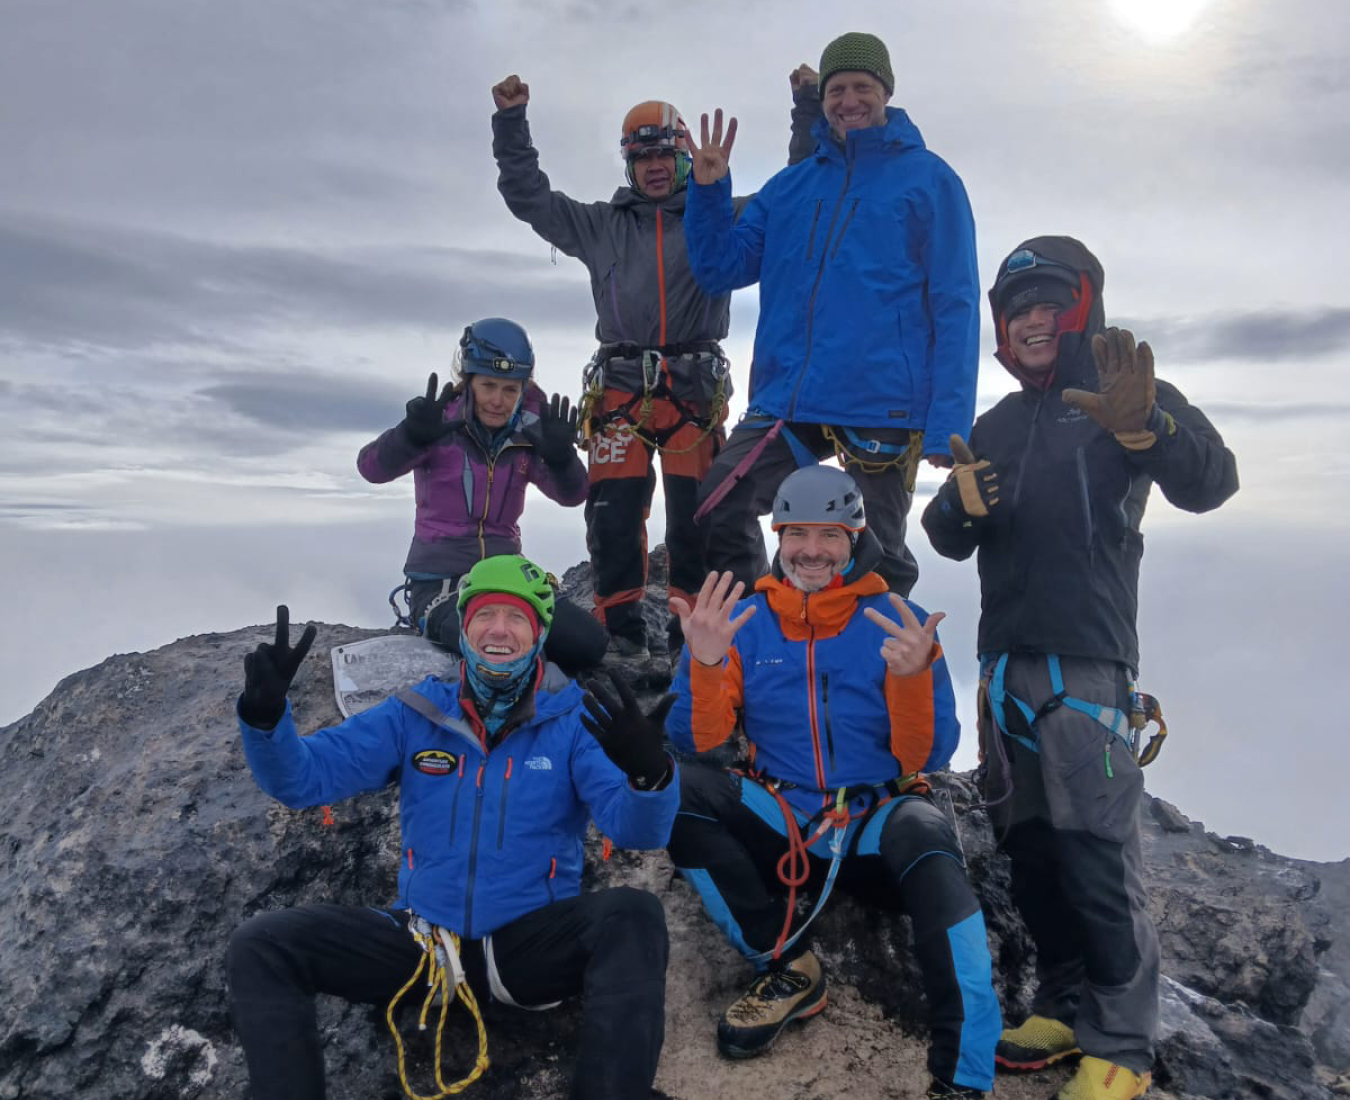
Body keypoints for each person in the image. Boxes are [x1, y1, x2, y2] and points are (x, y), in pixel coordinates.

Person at [921, 236, 1239, 1100]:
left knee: (1097, 855)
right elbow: (948, 537)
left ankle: (1124, 1046)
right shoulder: (994, 424)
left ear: (1082, 309)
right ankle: (1061, 1002)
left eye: (1046, 305)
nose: (1030, 321)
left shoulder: (1130, 399)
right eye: (1015, 310)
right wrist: (954, 503)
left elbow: (1213, 481)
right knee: (1029, 849)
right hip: (1001, 668)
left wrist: (1149, 428)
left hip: (1089, 667)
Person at [226, 554, 680, 1100]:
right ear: (463, 627)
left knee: (633, 916)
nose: (498, 631)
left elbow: (635, 830)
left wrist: (649, 775)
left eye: (517, 618)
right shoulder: (416, 713)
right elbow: (304, 779)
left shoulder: (573, 722)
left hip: (526, 950)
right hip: (426, 946)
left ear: (539, 634)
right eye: (484, 615)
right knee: (264, 945)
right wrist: (264, 716)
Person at [664, 466, 1000, 1099]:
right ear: (778, 536)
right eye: (797, 534)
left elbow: (930, 753)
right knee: (675, 793)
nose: (811, 551)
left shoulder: (898, 621)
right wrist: (705, 663)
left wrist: (911, 678)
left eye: (830, 534)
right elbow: (698, 742)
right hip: (784, 822)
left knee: (928, 839)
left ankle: (963, 1076)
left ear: (856, 537)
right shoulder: (743, 622)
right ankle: (788, 967)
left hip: (874, 823)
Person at [490, 72, 819, 660]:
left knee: (697, 518)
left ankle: (688, 637)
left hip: (693, 389)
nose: (655, 166)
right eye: (641, 156)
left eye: (666, 153)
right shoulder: (601, 225)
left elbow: (793, 193)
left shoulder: (723, 215)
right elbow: (529, 198)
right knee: (612, 515)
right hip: (620, 387)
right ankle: (620, 638)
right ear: (628, 165)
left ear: (685, 155)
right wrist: (512, 122)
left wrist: (808, 110)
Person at [682, 31, 981, 598]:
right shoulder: (792, 186)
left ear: (886, 92)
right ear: (823, 100)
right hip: (791, 399)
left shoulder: (930, 181)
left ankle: (876, 673)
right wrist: (709, 189)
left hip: (882, 404)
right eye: (837, 89)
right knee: (723, 502)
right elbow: (722, 267)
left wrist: (949, 424)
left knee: (875, 556)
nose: (849, 100)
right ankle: (751, 638)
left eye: (862, 87)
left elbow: (956, 302)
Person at [357, 316, 607, 674]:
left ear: (524, 389)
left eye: (510, 389)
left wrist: (562, 457)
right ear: (467, 381)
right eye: (488, 385)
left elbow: (572, 495)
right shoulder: (438, 427)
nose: (498, 400)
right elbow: (371, 469)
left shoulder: (527, 436)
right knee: (494, 647)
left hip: (507, 573)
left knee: (588, 644)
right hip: (441, 584)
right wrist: (410, 436)